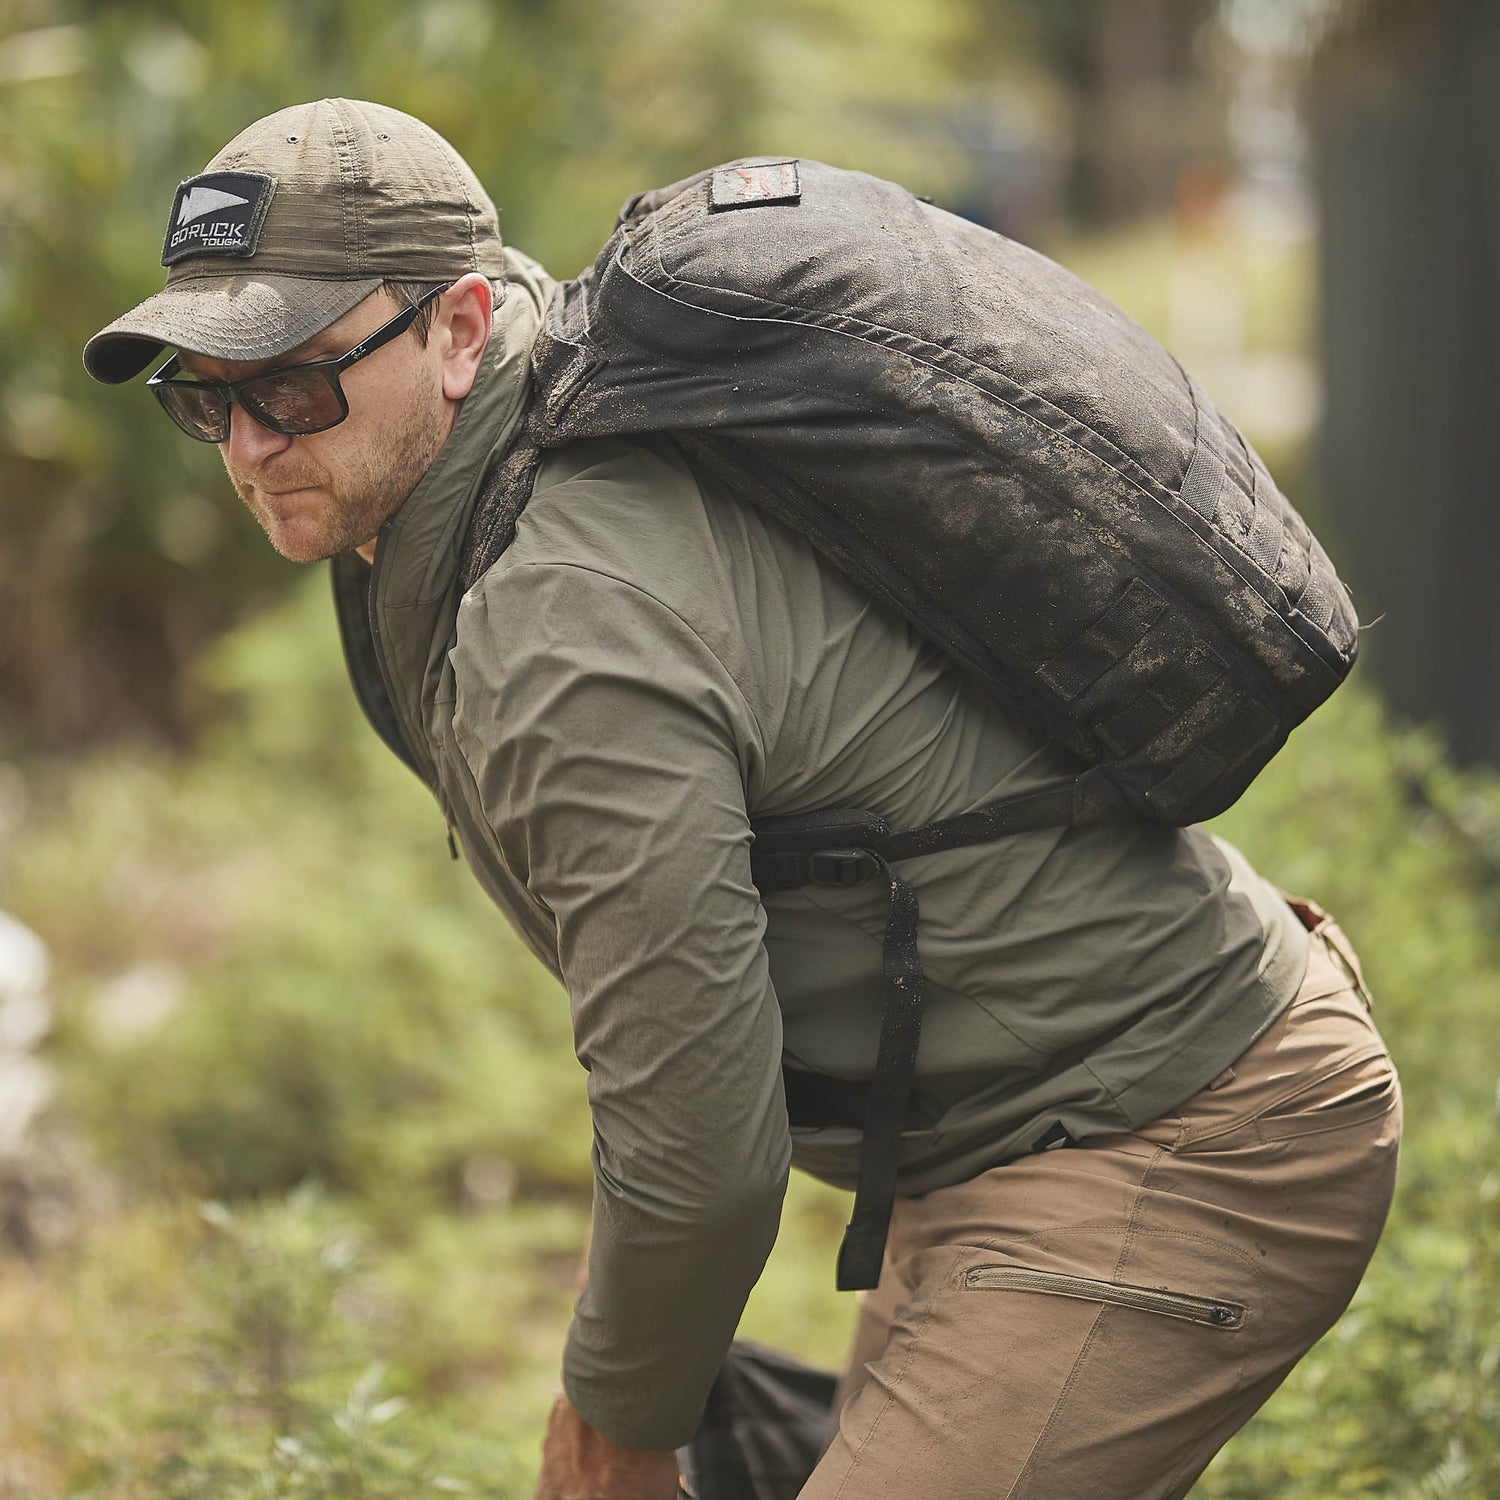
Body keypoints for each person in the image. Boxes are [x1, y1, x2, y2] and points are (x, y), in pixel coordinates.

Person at [84, 98, 1402, 1500]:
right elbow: (667, 1032)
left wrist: (615, 1428)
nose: (247, 444)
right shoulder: (522, 452)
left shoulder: (559, 624)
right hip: (994, 1139)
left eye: (291, 385)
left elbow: (702, 1145)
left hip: (1171, 1131)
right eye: (204, 394)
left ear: (461, 327)